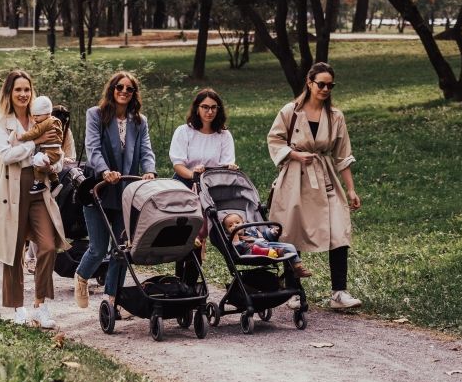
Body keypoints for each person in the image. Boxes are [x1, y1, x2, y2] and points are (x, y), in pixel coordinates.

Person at [267, 62, 363, 310]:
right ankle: (293, 291)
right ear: (309, 83)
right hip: (295, 177)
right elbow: (274, 140)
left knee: (339, 230)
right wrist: (295, 155)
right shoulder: (290, 111)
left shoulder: (335, 116)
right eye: (321, 84)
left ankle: (339, 292)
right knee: (292, 230)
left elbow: (343, 154)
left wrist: (351, 188)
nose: (325, 89)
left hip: (326, 176)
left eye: (330, 85)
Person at [0, 69, 67, 329]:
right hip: (11, 192)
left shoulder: (40, 118)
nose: (23, 94)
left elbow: (58, 151)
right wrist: (33, 145)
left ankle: (40, 304)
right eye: (18, 89)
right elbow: (6, 155)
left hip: (39, 189)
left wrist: (54, 163)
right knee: (13, 250)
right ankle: (18, 307)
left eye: (27, 89)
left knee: (48, 246)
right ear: (9, 92)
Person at [74, 71, 157, 313]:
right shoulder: (96, 115)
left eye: (129, 89)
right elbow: (93, 148)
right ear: (112, 89)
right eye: (119, 87)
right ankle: (81, 275)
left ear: (134, 94)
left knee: (121, 250)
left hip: (125, 193)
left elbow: (145, 150)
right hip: (99, 190)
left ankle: (112, 299)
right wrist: (104, 171)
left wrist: (149, 170)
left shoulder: (139, 122)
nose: (123, 91)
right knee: (98, 249)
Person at [168, 88, 237, 286]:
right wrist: (195, 176)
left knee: (219, 230)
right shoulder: (184, 131)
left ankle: (191, 282)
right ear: (197, 109)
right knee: (190, 237)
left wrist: (229, 168)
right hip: (186, 183)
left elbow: (227, 163)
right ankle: (184, 282)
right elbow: (178, 164)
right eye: (205, 107)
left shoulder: (224, 135)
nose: (209, 111)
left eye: (214, 107)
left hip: (213, 187)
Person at [221, 213, 312, 278]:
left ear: (244, 223)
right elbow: (237, 250)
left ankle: (297, 268)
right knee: (257, 245)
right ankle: (274, 252)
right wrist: (236, 240)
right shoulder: (232, 239)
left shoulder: (251, 231)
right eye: (230, 225)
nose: (235, 226)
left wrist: (272, 232)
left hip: (267, 245)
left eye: (237, 223)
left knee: (290, 246)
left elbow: (264, 235)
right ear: (226, 230)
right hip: (252, 251)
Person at [18, 95, 63, 195]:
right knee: (46, 164)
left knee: (37, 160)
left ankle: (40, 182)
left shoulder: (46, 123)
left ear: (47, 113)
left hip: (50, 152)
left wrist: (22, 137)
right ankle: (55, 181)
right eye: (33, 116)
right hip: (55, 152)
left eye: (37, 116)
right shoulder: (55, 121)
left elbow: (35, 132)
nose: (35, 118)